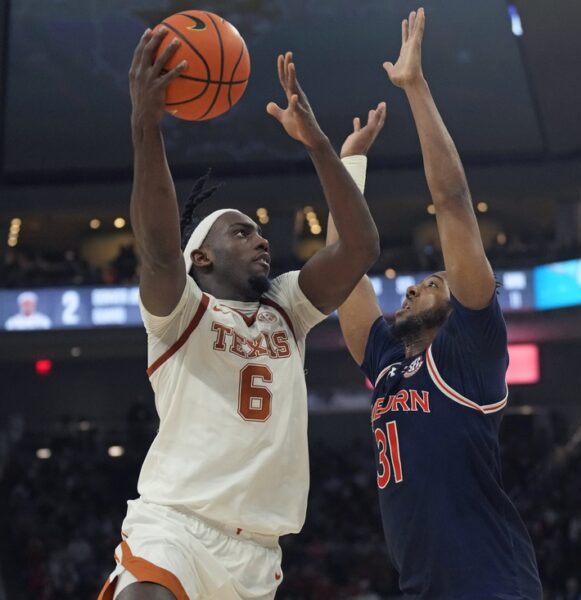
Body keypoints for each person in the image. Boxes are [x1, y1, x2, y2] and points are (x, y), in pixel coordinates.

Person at [98, 25, 385, 600]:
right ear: (200, 255)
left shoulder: (286, 307)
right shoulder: (179, 313)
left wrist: (321, 147)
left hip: (256, 553)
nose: (262, 241)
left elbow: (359, 249)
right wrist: (145, 125)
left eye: (260, 232)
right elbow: (156, 247)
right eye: (242, 231)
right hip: (173, 526)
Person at [326, 8, 543, 599]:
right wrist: (347, 166)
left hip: (492, 586)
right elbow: (342, 269)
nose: (414, 286)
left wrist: (416, 87)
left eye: (434, 282)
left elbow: (451, 202)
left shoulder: (470, 351)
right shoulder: (388, 362)